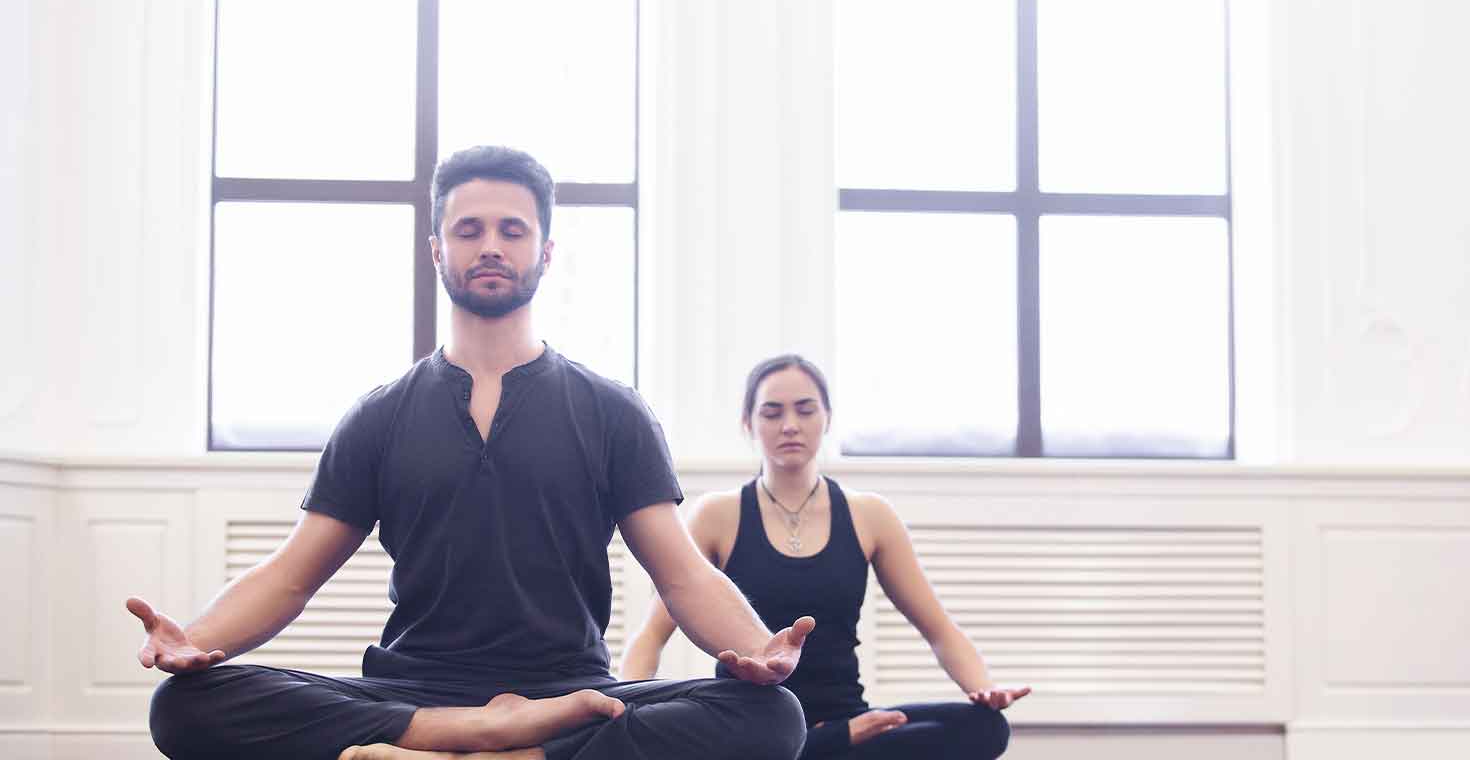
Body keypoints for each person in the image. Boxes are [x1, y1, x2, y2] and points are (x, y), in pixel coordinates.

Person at [126, 146, 812, 760]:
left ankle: (481, 748)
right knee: (184, 707)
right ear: (436, 249)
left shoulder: (612, 412)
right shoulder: (379, 415)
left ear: (545, 252)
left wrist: (757, 650)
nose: (491, 245)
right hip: (412, 687)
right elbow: (290, 577)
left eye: (512, 230)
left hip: (566, 689)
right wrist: (195, 638)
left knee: (772, 717)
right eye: (469, 229)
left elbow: (683, 576)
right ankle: (484, 743)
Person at [619, 354, 1029, 759]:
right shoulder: (716, 516)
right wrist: (621, 715)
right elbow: (652, 635)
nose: (790, 425)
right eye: (772, 412)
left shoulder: (871, 516)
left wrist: (983, 689)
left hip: (847, 715)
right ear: (749, 424)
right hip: (755, 722)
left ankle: (827, 744)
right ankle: (829, 744)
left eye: (805, 409)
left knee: (986, 728)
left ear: (827, 418)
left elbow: (938, 628)